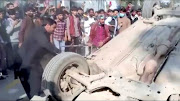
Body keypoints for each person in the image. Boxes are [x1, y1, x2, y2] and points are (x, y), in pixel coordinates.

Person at [18, 18, 59, 98]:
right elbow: (46, 44)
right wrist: (59, 52)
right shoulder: (39, 32)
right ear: (47, 26)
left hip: (31, 60)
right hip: (26, 61)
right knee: (34, 81)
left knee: (34, 80)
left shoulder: (44, 33)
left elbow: (45, 49)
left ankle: (34, 96)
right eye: (54, 27)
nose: (54, 30)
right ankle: (34, 96)